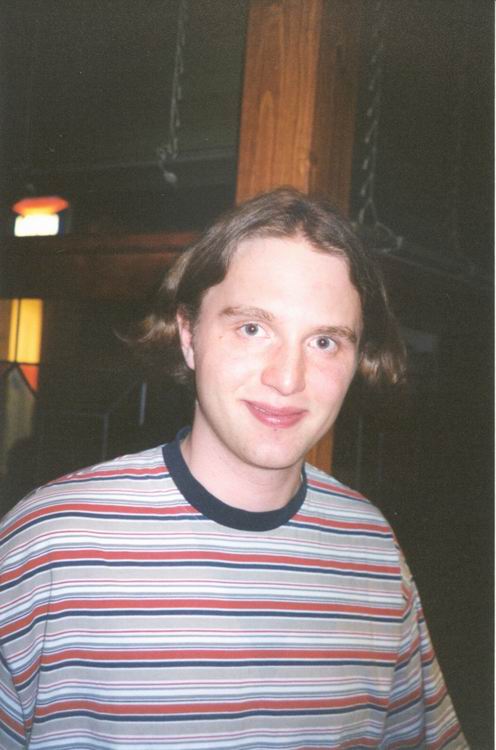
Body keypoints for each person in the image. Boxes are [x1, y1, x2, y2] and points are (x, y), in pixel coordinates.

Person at [0, 188, 466, 748]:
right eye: (252, 328)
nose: (288, 379)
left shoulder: (372, 550)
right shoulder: (49, 545)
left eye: (324, 341)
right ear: (189, 335)